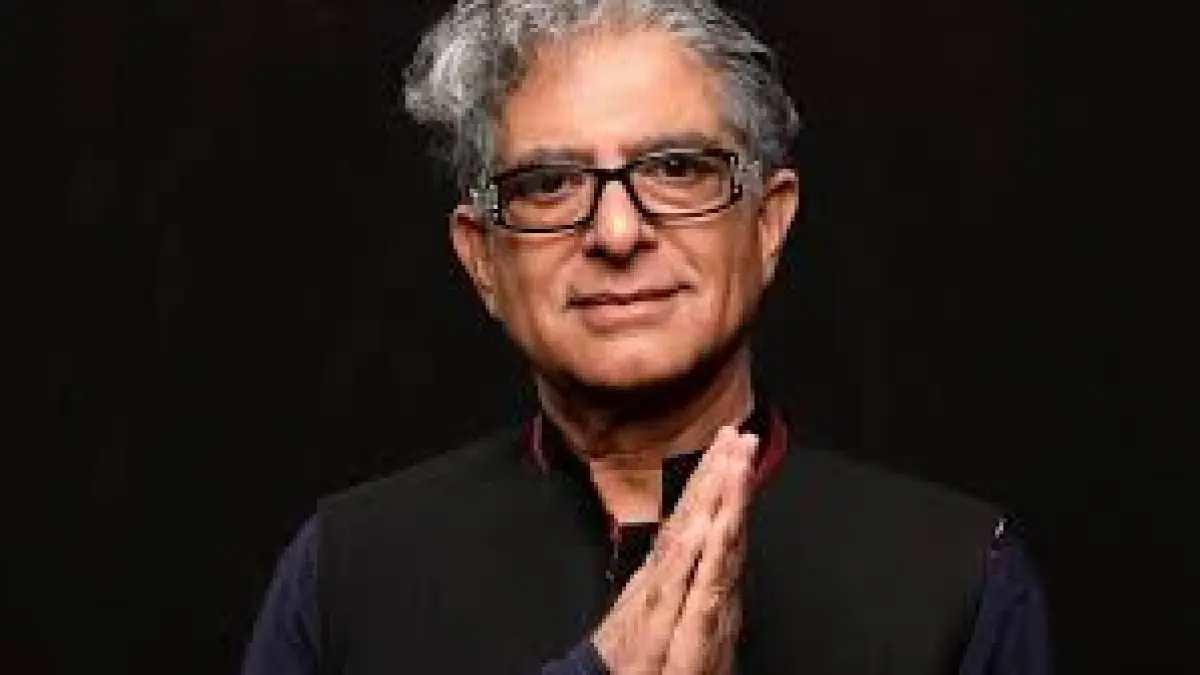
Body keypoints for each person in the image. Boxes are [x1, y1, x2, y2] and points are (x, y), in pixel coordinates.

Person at [243, 1, 1051, 673]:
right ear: (482, 256)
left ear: (767, 223)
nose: (618, 232)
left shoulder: (958, 577)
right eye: (550, 184)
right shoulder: (349, 569)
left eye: (677, 169)